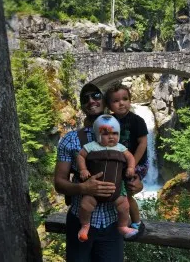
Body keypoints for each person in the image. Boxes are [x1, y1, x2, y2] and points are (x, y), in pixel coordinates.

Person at [54, 82, 143, 262]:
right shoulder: (70, 140)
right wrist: (84, 188)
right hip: (80, 220)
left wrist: (137, 183)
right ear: (81, 105)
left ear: (105, 102)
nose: (91, 100)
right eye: (85, 98)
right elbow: (59, 182)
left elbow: (131, 172)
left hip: (113, 224)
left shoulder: (122, 135)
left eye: (95, 95)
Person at [77, 114, 138, 242]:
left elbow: (130, 157)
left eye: (115, 133)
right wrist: (83, 169)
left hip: (115, 191)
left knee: (124, 206)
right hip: (93, 191)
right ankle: (85, 226)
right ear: (98, 135)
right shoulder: (91, 146)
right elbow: (80, 156)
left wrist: (131, 168)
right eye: (105, 134)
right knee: (85, 205)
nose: (111, 137)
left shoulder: (120, 147)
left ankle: (122, 226)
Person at [105, 83, 149, 232]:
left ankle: (136, 223)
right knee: (119, 193)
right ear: (109, 105)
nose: (121, 103)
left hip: (137, 163)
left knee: (127, 194)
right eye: (116, 101)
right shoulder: (109, 121)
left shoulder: (137, 121)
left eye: (125, 99)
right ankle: (123, 221)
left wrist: (132, 165)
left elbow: (143, 143)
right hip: (120, 165)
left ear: (130, 100)